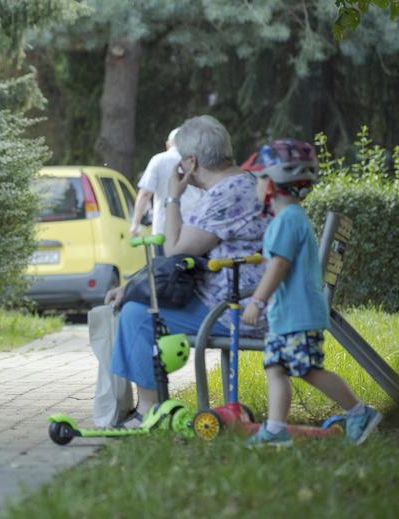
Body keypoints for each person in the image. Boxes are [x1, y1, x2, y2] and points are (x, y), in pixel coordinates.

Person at [106, 115, 268, 427]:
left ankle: (148, 412)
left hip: (238, 309)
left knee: (138, 313)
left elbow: (174, 251)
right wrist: (132, 284)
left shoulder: (227, 195)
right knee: (140, 299)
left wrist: (171, 197)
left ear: (191, 162)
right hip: (242, 299)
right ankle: (152, 403)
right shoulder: (243, 184)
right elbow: (178, 261)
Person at [241, 139, 382, 446]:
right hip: (289, 316)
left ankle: (359, 412)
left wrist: (256, 301)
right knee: (276, 367)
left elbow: (278, 266)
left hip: (297, 316)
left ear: (272, 184)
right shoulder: (290, 219)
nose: (255, 185)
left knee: (307, 370)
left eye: (258, 178)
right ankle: (275, 430)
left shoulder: (287, 221)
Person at [129, 128, 204, 254]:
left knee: (164, 270)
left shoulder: (158, 160)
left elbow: (145, 194)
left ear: (168, 144)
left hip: (163, 231)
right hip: (193, 229)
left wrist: (135, 224)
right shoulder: (197, 162)